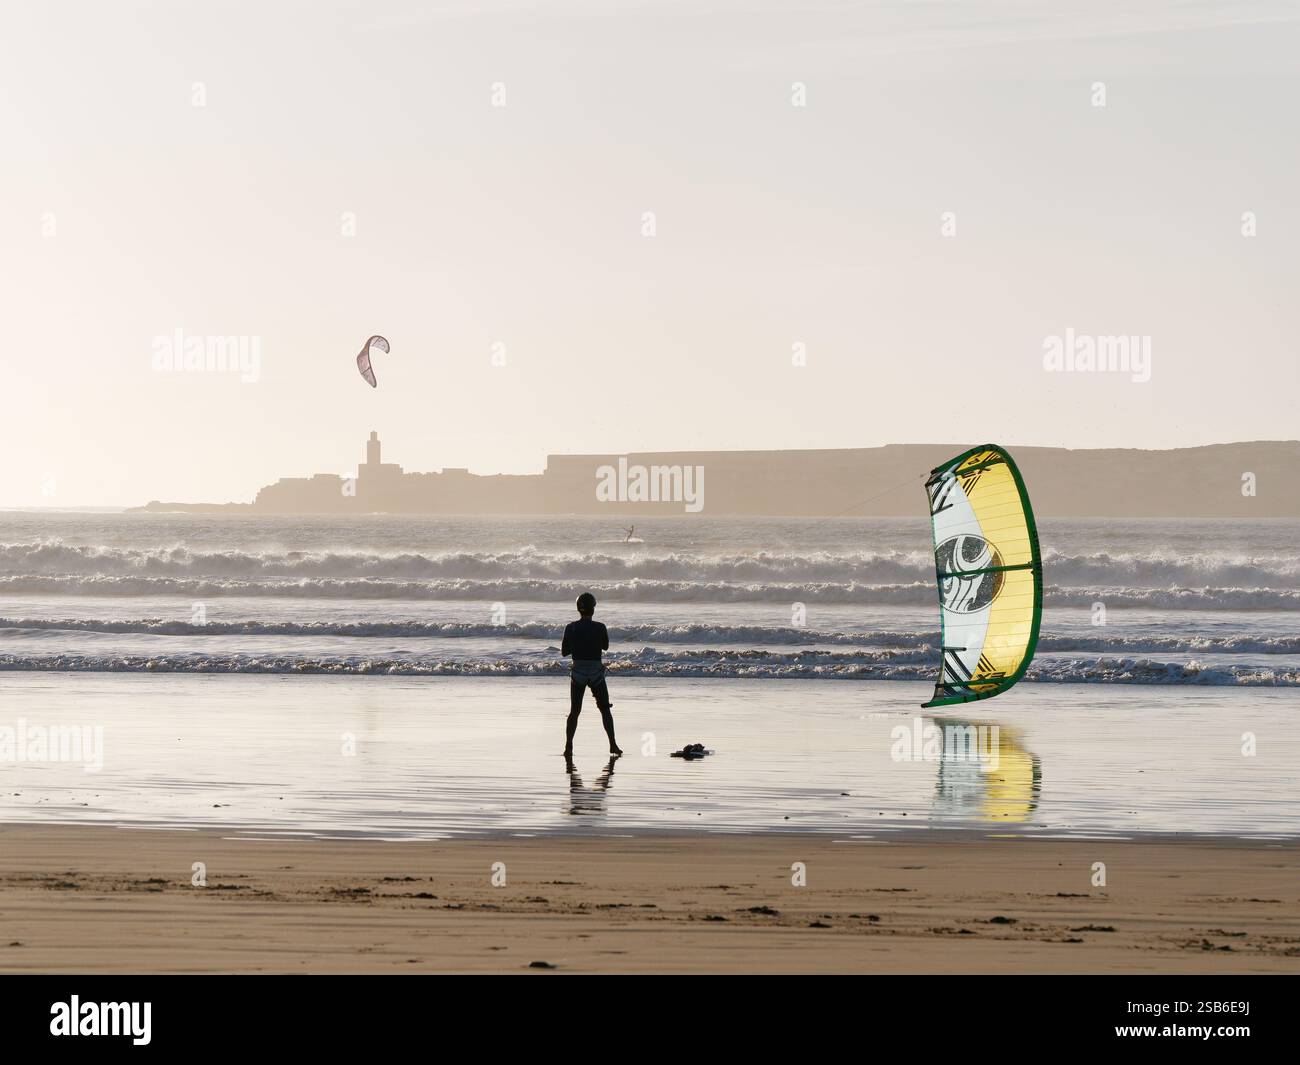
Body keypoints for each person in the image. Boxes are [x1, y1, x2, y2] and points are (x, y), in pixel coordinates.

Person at [561, 592, 622, 759]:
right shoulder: (600, 627)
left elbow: (564, 652)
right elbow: (606, 647)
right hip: (596, 672)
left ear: (578, 609)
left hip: (578, 671)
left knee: (575, 711)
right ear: (593, 609)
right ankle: (613, 744)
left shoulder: (571, 627)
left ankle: (568, 747)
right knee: (605, 710)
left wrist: (577, 643)